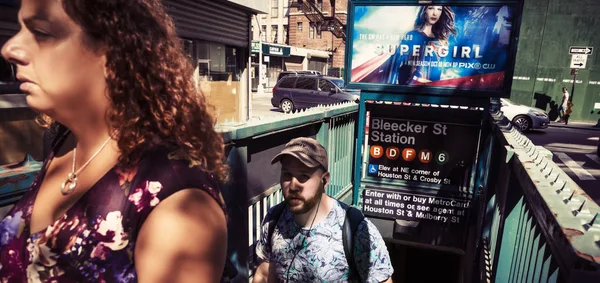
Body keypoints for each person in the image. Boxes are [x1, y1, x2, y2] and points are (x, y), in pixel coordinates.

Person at [0, 0, 229, 281]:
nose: (9, 49)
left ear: (112, 52)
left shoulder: (178, 202)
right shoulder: (65, 141)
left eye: (42, 32)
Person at [253, 137, 393, 282]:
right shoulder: (274, 219)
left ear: (324, 181)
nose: (293, 186)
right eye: (287, 175)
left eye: (304, 176)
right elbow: (264, 274)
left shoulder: (357, 230)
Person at [387, 5, 457, 85]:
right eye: (431, 8)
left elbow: (441, 69)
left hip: (432, 88)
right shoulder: (412, 35)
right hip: (411, 87)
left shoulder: (441, 40)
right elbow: (399, 64)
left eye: (439, 9)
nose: (435, 13)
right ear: (424, 11)